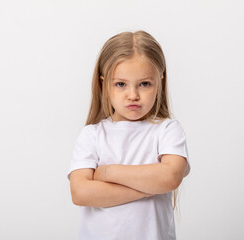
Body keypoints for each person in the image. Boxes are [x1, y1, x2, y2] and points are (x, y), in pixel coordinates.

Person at [67, 30, 191, 240]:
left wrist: (107, 174)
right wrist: (146, 189)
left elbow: (170, 177)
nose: (133, 95)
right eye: (121, 84)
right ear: (104, 83)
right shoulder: (93, 135)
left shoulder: (167, 130)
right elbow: (81, 192)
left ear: (159, 81)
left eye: (144, 84)